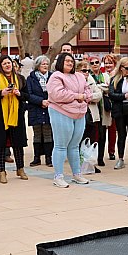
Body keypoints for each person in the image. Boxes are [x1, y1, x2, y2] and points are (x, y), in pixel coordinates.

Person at [46, 52, 92, 187]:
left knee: (74, 146)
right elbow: (58, 94)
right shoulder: (56, 76)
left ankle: (77, 174)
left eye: (71, 61)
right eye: (67, 61)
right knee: (60, 145)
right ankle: (58, 176)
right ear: (60, 62)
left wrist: (82, 97)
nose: (70, 63)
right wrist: (78, 96)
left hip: (79, 113)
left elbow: (88, 91)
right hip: (61, 112)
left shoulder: (79, 76)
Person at [0, 55, 28, 184]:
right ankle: (1, 171)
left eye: (9, 63)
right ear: (0, 66)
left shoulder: (20, 78)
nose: (7, 65)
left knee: (18, 143)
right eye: (4, 64)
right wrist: (0, 93)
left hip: (16, 115)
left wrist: (19, 94)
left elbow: (27, 95)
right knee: (0, 144)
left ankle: (20, 169)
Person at [26, 56, 53, 167]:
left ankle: (48, 158)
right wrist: (41, 101)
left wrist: (48, 101)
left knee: (48, 133)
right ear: (38, 65)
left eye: (47, 64)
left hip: (49, 108)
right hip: (35, 109)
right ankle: (36, 158)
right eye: (43, 64)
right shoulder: (31, 78)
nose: (45, 66)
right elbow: (29, 94)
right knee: (37, 133)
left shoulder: (52, 77)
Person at [78, 60, 103, 173]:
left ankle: (91, 165)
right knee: (79, 141)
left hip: (92, 115)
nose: (86, 73)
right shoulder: (75, 82)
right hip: (79, 114)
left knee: (92, 141)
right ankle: (79, 164)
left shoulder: (91, 81)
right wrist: (85, 97)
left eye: (88, 71)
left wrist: (86, 97)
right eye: (84, 70)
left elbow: (99, 95)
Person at [90, 56, 110, 167]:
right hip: (93, 108)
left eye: (97, 62)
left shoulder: (105, 75)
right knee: (93, 135)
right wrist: (100, 88)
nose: (94, 64)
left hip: (104, 108)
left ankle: (100, 157)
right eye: (92, 63)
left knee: (103, 135)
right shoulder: (88, 77)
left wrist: (98, 88)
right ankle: (92, 158)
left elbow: (109, 88)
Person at [102, 53, 119, 160]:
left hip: (115, 104)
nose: (108, 65)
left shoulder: (117, 75)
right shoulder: (101, 74)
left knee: (113, 130)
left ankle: (111, 151)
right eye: (106, 63)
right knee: (102, 131)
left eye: (110, 63)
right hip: (104, 104)